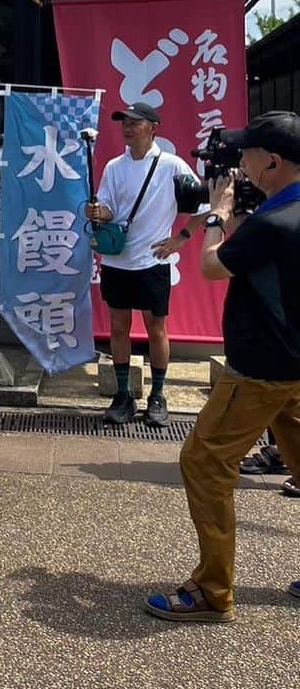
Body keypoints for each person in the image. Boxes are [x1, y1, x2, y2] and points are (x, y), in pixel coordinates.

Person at [145, 110, 300, 623]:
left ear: (272, 161)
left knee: (205, 463)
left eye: (247, 153)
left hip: (260, 370)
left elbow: (214, 265)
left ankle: (213, 592)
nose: (240, 161)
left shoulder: (275, 223)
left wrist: (216, 213)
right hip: (294, 368)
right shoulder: (283, 214)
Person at [85, 102, 207, 427]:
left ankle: (158, 395)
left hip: (152, 261)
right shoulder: (114, 167)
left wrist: (181, 237)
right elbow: (110, 207)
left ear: (153, 127)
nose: (127, 127)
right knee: (119, 329)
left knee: (157, 329)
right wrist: (99, 213)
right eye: (124, 121)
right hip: (117, 261)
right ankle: (123, 395)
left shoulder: (171, 165)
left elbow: (204, 206)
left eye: (135, 122)